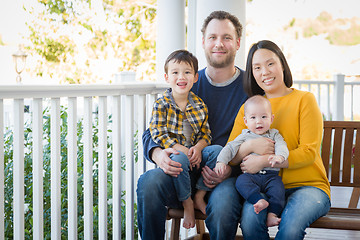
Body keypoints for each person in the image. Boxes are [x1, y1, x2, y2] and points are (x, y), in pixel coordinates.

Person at [137, 10, 250, 239]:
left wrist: (230, 169)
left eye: (227, 37)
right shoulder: (186, 80)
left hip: (223, 176)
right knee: (148, 182)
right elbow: (152, 131)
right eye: (212, 37)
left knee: (223, 205)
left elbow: (259, 138)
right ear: (203, 42)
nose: (219, 43)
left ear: (238, 43)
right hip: (181, 170)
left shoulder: (250, 88)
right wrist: (158, 155)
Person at [229, 40, 331, 239]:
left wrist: (264, 160)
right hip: (264, 187)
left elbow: (309, 152)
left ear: (282, 65)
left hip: (308, 186)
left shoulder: (304, 99)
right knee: (250, 222)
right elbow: (232, 155)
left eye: (270, 64)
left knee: (290, 230)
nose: (265, 72)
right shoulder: (249, 108)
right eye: (257, 68)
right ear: (252, 74)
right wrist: (249, 145)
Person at [149, 49, 219, 229]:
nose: (181, 77)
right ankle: (187, 201)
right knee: (179, 159)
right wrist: (184, 150)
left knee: (217, 151)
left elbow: (206, 134)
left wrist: (198, 148)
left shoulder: (199, 104)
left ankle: (199, 196)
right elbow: (158, 133)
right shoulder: (162, 104)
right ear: (167, 77)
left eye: (187, 72)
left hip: (196, 156)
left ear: (195, 77)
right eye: (175, 72)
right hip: (176, 155)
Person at [215, 95, 289, 227]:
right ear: (246, 121)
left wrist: (280, 157)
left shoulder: (274, 134)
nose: (258, 122)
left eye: (263, 117)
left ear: (271, 118)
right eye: (253, 118)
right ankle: (258, 200)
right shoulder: (244, 135)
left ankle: (272, 215)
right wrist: (221, 162)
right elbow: (230, 148)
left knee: (278, 190)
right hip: (250, 176)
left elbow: (281, 146)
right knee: (241, 182)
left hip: (271, 176)